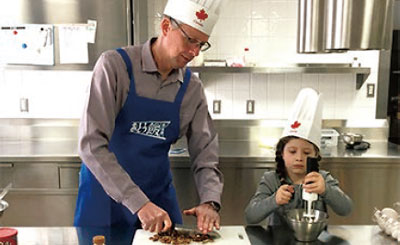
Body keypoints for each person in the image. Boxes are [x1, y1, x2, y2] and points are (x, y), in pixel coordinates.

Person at [74, 0, 225, 236]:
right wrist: (139, 203)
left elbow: (205, 154)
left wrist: (210, 202)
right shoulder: (115, 66)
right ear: (166, 27)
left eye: (201, 44)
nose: (194, 52)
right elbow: (91, 145)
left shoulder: (191, 88)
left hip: (158, 199)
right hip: (104, 200)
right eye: (190, 40)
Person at [245, 88, 353, 225]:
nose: (299, 158)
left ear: (315, 155)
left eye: (307, 153)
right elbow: (250, 216)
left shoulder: (322, 179)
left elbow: (346, 209)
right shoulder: (272, 180)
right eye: (292, 151)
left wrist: (326, 189)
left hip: (315, 237)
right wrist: (274, 200)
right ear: (282, 154)